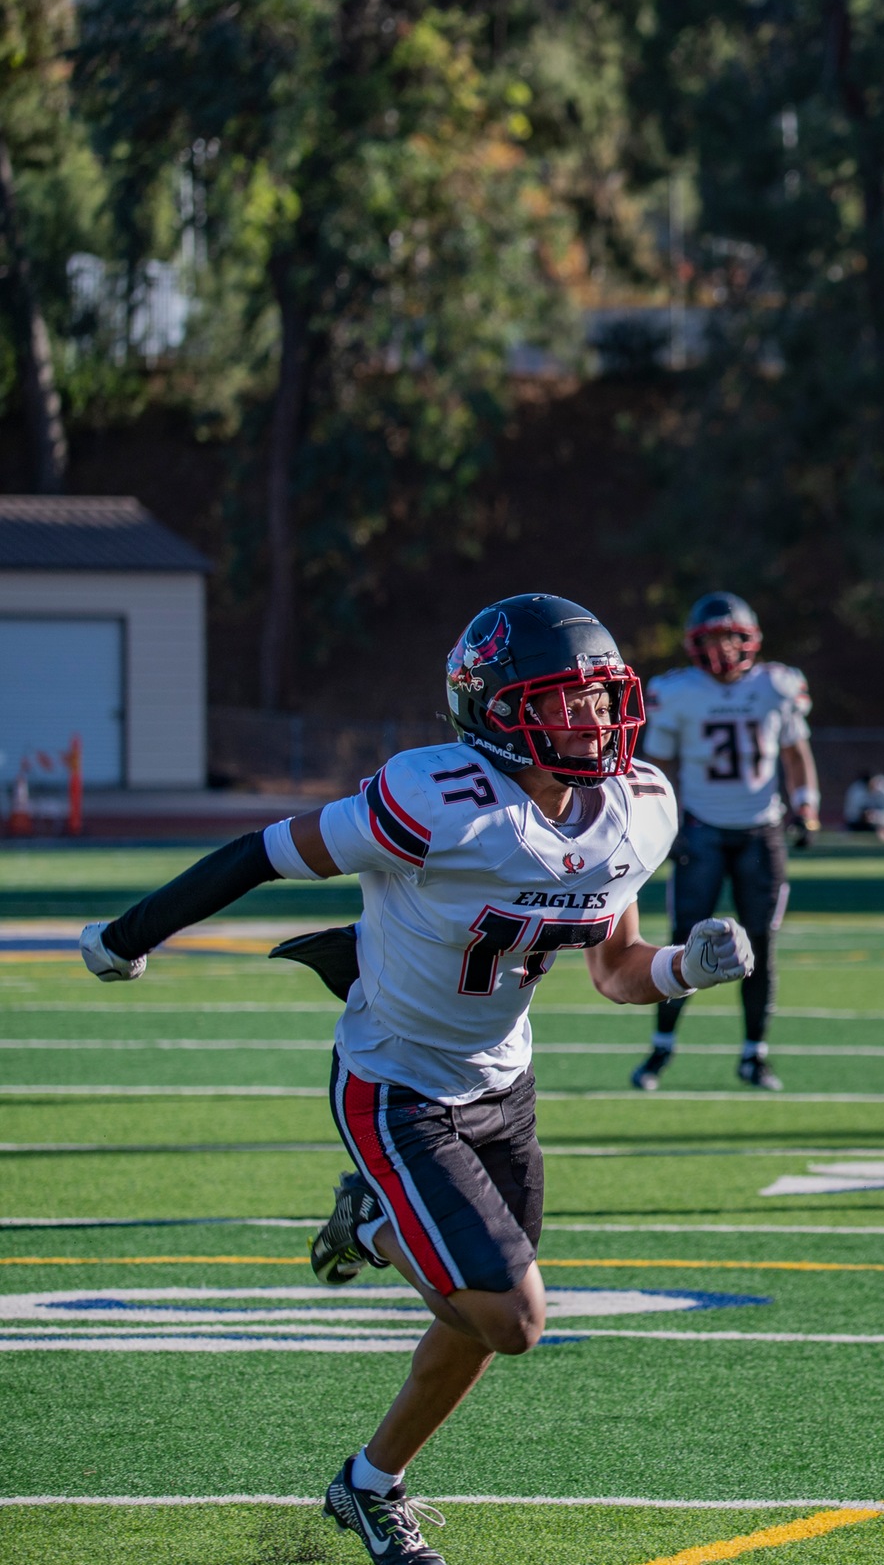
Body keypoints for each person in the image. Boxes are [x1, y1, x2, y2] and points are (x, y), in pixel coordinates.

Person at [77, 594, 753, 1565]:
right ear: (493, 708)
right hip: (396, 1085)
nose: (592, 722)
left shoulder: (637, 806)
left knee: (482, 1313)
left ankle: (369, 1485)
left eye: (601, 700)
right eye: (561, 702)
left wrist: (687, 967)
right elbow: (265, 854)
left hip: (504, 1087)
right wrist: (130, 936)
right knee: (513, 1317)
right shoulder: (435, 800)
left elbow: (614, 968)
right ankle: (375, 1224)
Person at [632, 592, 817, 1091]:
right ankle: (661, 1048)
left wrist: (807, 804)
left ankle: (754, 1055)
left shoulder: (777, 686)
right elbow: (660, 766)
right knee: (683, 938)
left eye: (731, 636)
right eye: (712, 638)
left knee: (760, 943)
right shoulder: (678, 692)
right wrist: (658, 819)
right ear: (695, 643)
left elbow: (796, 752)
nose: (722, 648)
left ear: (750, 638)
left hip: (762, 830)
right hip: (702, 829)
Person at [843, 770, 884, 840]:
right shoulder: (856, 790)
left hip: (883, 824)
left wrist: (875, 816)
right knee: (846, 831)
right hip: (862, 824)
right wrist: (862, 816)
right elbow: (850, 814)